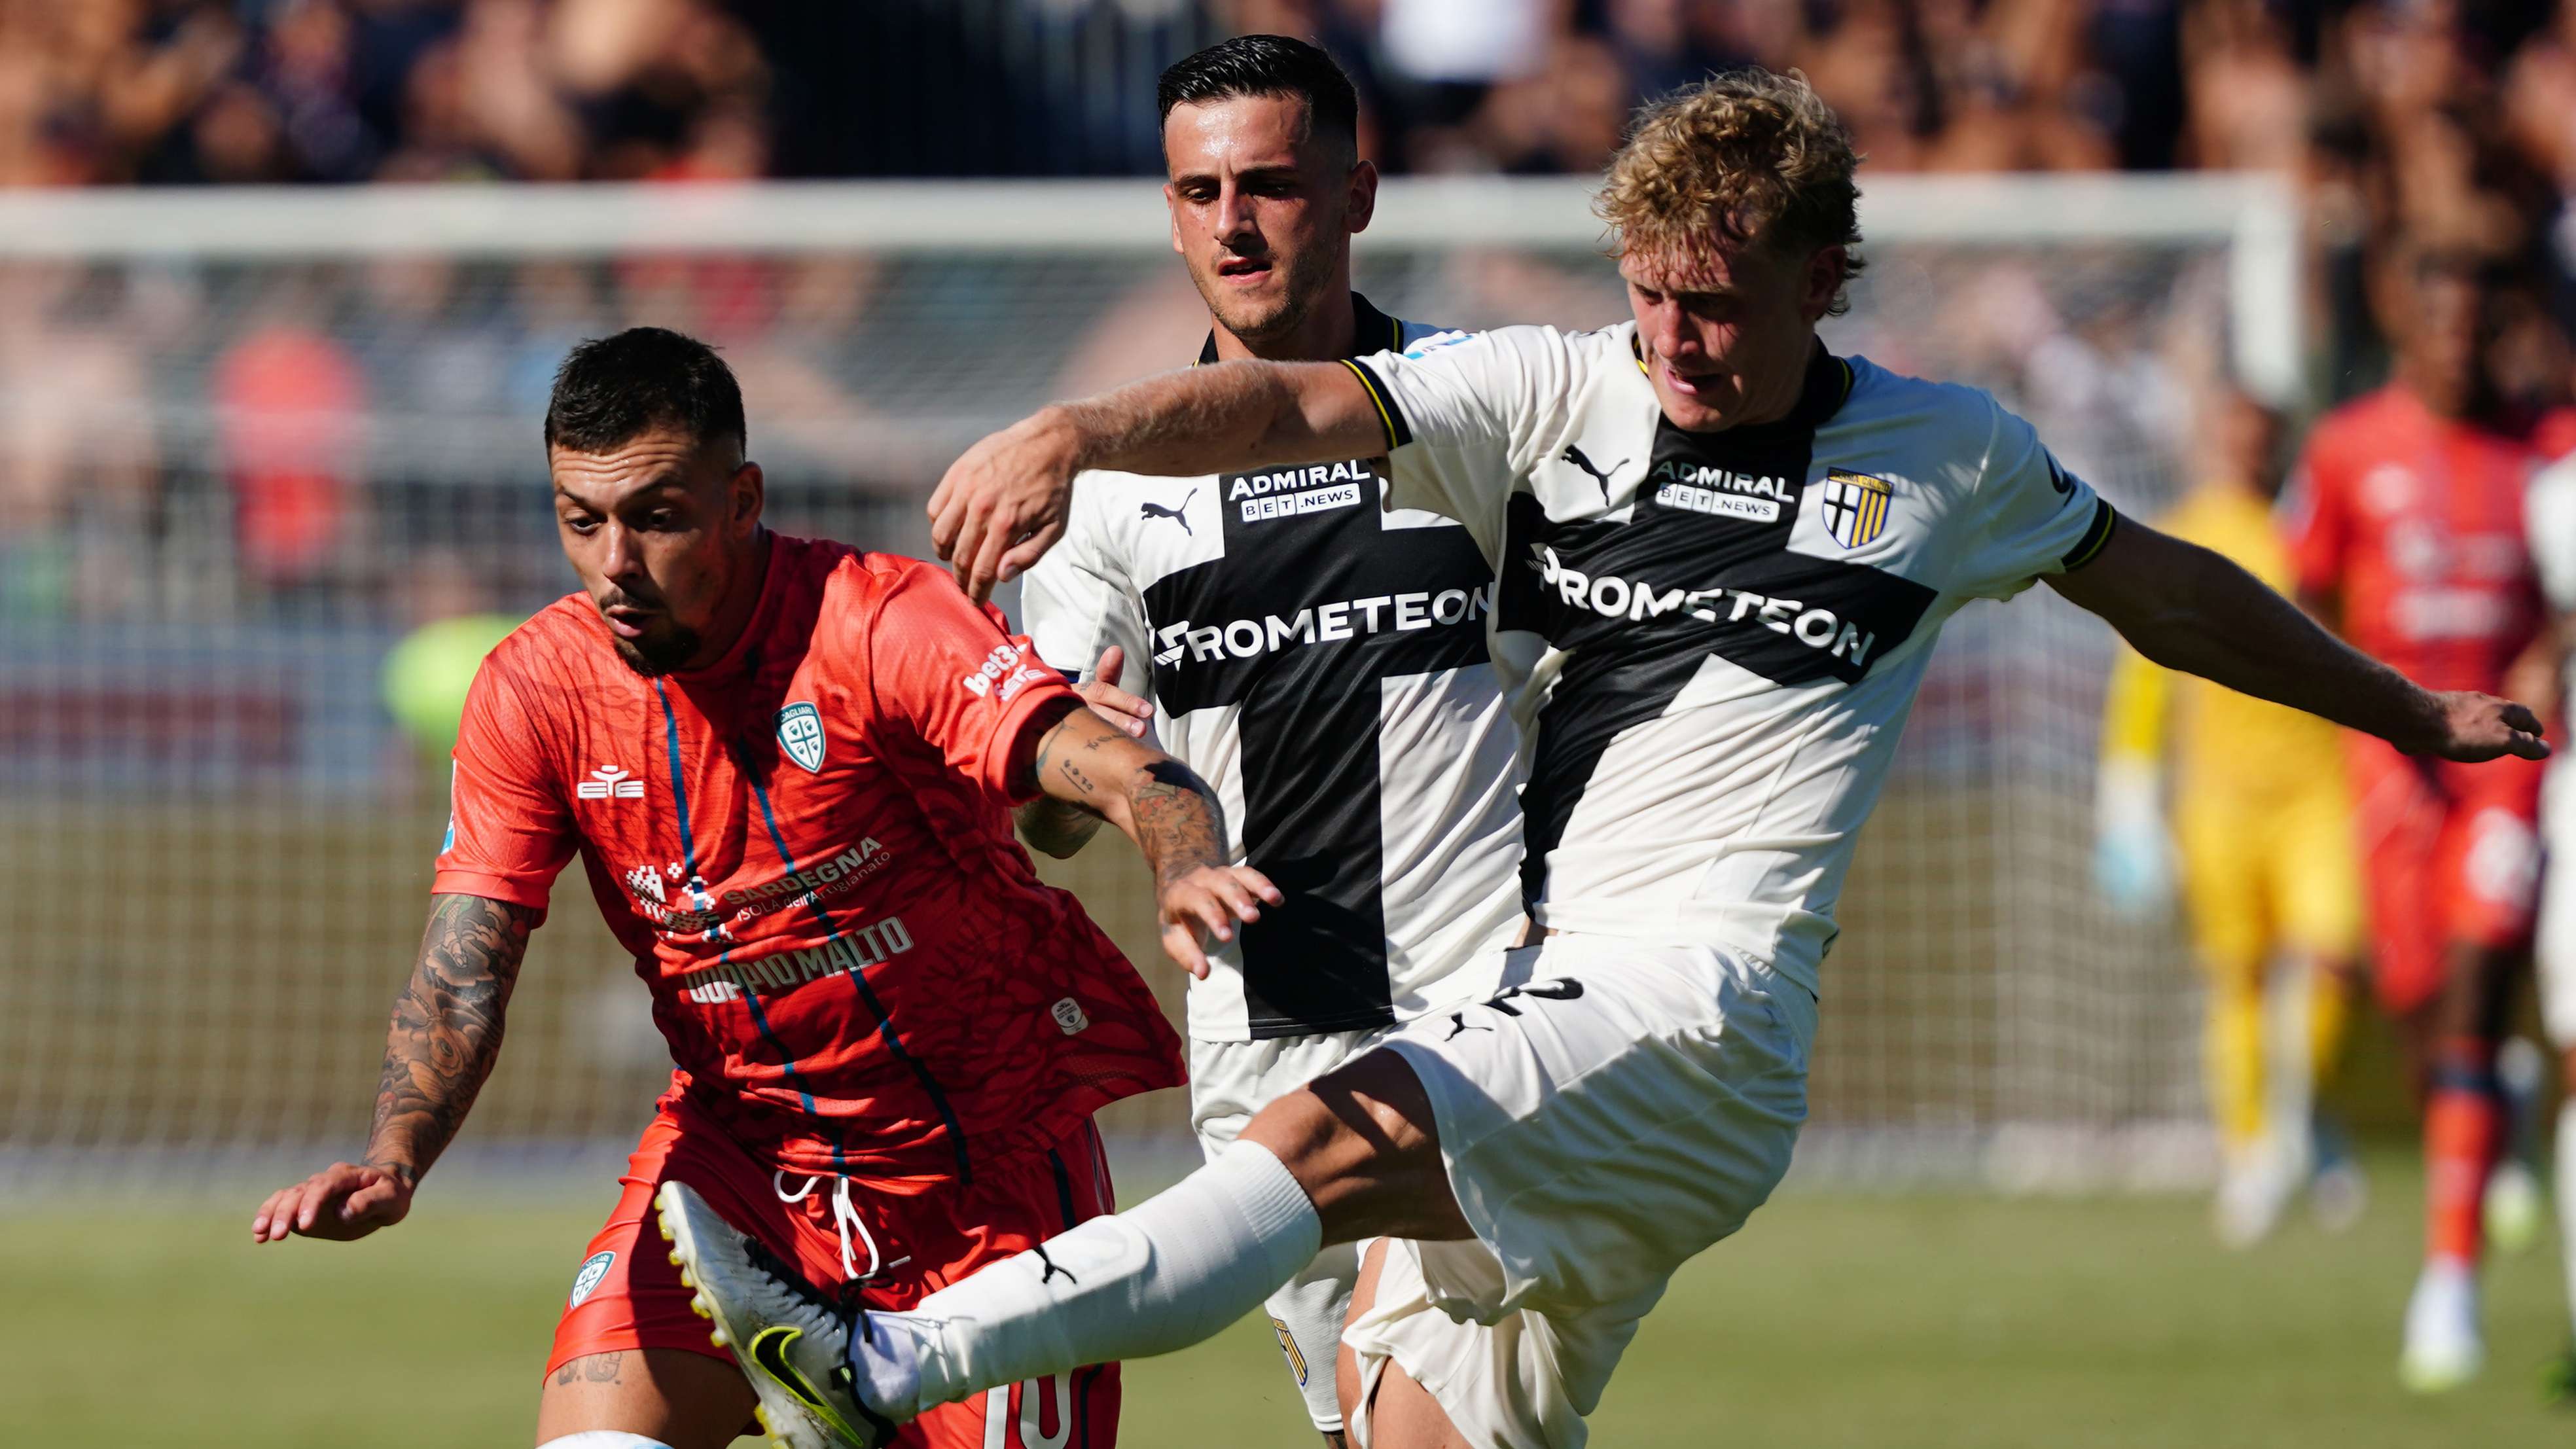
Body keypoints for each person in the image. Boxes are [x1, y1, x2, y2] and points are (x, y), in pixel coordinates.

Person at [671, 71, 2547, 1449]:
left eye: (1717, 303)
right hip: (1554, 1023)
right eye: (1649, 293)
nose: (1675, 340)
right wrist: (1085, 433)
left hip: (1696, 1010)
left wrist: (2405, 708)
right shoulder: (1565, 392)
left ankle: (878, 1357)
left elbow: (2162, 589)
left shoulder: (1949, 456)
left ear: (1825, 276)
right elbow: (1299, 400)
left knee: (1322, 1142)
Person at [249, 327, 1278, 1449]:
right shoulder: (534, 690)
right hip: (734, 1170)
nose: (615, 562)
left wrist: (1185, 860)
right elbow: (465, 970)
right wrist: (395, 1157)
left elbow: (1122, 768)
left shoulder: (881, 620)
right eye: (581, 520)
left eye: (656, 517)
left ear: (742, 501)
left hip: (979, 1175)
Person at [1013, 36, 1525, 1448]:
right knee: (1362, 1427)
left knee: (1424, 1411)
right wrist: (1081, 769)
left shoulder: (1485, 406)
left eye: (1271, 186)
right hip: (1263, 1039)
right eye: (1200, 192)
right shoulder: (1110, 493)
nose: (1233, 225)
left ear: (1358, 194)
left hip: (1483, 1016)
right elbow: (1042, 807)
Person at [2281, 240, 2562, 1391]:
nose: (2456, 348)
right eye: (2437, 325)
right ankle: (2504, 1107)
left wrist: (2554, 651)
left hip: (2512, 754)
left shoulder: (2550, 450)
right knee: (2419, 1005)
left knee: (2481, 976)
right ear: (2405, 326)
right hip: (2394, 756)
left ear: (2498, 333)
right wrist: (2361, 699)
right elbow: (2302, 590)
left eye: (2475, 329)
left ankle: (2448, 1282)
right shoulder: (2349, 449)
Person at [2093, 385, 2366, 1247]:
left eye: (2262, 435)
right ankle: (2252, 1152)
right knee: (2238, 978)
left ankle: (2300, 1113)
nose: (2249, 449)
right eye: (2234, 433)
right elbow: (2143, 676)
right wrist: (2128, 799)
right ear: (2212, 440)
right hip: (2218, 797)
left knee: (2332, 958)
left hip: (2318, 786)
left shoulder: (2315, 527)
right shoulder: (2184, 531)